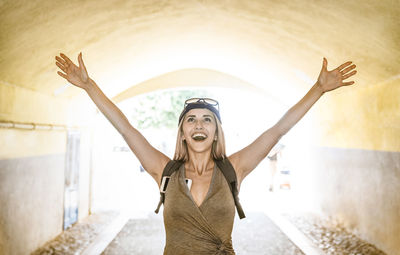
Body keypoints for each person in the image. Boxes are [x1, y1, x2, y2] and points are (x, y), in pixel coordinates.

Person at [55, 52, 356, 254]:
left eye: (207, 119)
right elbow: (126, 129)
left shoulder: (234, 168)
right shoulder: (165, 171)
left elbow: (277, 130)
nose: (199, 124)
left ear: (215, 131)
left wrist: (318, 88)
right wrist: (88, 85)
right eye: (191, 119)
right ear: (183, 131)